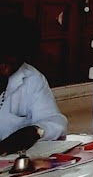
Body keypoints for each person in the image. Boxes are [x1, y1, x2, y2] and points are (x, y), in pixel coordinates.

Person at [0, 13, 67, 154]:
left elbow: (55, 121)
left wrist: (36, 131)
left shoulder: (32, 79)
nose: (5, 67)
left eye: (13, 61)